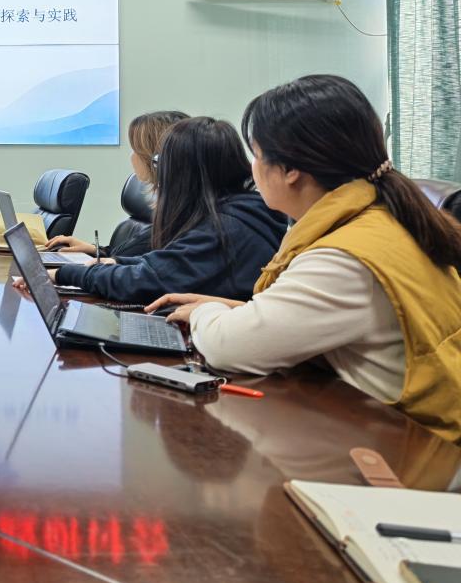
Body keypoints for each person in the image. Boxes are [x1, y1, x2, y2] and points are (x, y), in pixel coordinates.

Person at [146, 75, 461, 443]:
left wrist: (206, 313)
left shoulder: (344, 258)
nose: (252, 167)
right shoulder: (379, 219)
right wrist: (232, 308)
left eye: (257, 154)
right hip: (395, 431)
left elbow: (226, 347)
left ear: (290, 170)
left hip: (422, 453)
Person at [46, 117, 286, 305]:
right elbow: (164, 264)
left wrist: (64, 274)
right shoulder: (237, 209)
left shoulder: (224, 227)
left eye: (161, 162)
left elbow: (143, 280)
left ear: (181, 173)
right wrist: (115, 261)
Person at [47, 109, 188, 258]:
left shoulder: (173, 223)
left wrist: (63, 271)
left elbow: (132, 264)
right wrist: (95, 250)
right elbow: (129, 256)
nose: (132, 156)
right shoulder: (170, 211)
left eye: (136, 150)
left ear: (156, 158)